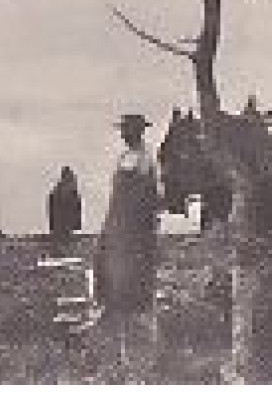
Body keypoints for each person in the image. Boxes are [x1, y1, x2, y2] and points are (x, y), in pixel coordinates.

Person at [93, 113, 161, 370]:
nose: (125, 134)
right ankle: (116, 352)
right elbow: (116, 197)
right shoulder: (123, 158)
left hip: (135, 229)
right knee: (109, 274)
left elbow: (150, 197)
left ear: (138, 132)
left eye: (129, 130)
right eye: (124, 130)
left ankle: (140, 355)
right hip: (118, 224)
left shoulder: (145, 160)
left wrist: (142, 226)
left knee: (133, 284)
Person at [47, 166, 83, 250]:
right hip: (64, 227)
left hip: (61, 228)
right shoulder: (70, 191)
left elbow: (52, 212)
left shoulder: (57, 192)